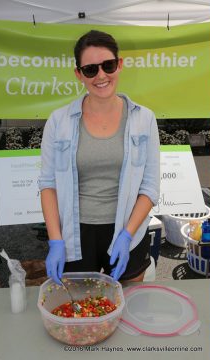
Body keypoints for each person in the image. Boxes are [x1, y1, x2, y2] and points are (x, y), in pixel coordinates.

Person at [38, 30, 160, 285]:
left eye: (108, 65)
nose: (102, 75)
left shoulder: (144, 119)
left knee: (132, 305)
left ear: (120, 65)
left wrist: (127, 236)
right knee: (81, 310)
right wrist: (56, 240)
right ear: (79, 74)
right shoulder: (58, 121)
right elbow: (48, 185)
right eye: (91, 69)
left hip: (129, 228)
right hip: (75, 234)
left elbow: (149, 187)